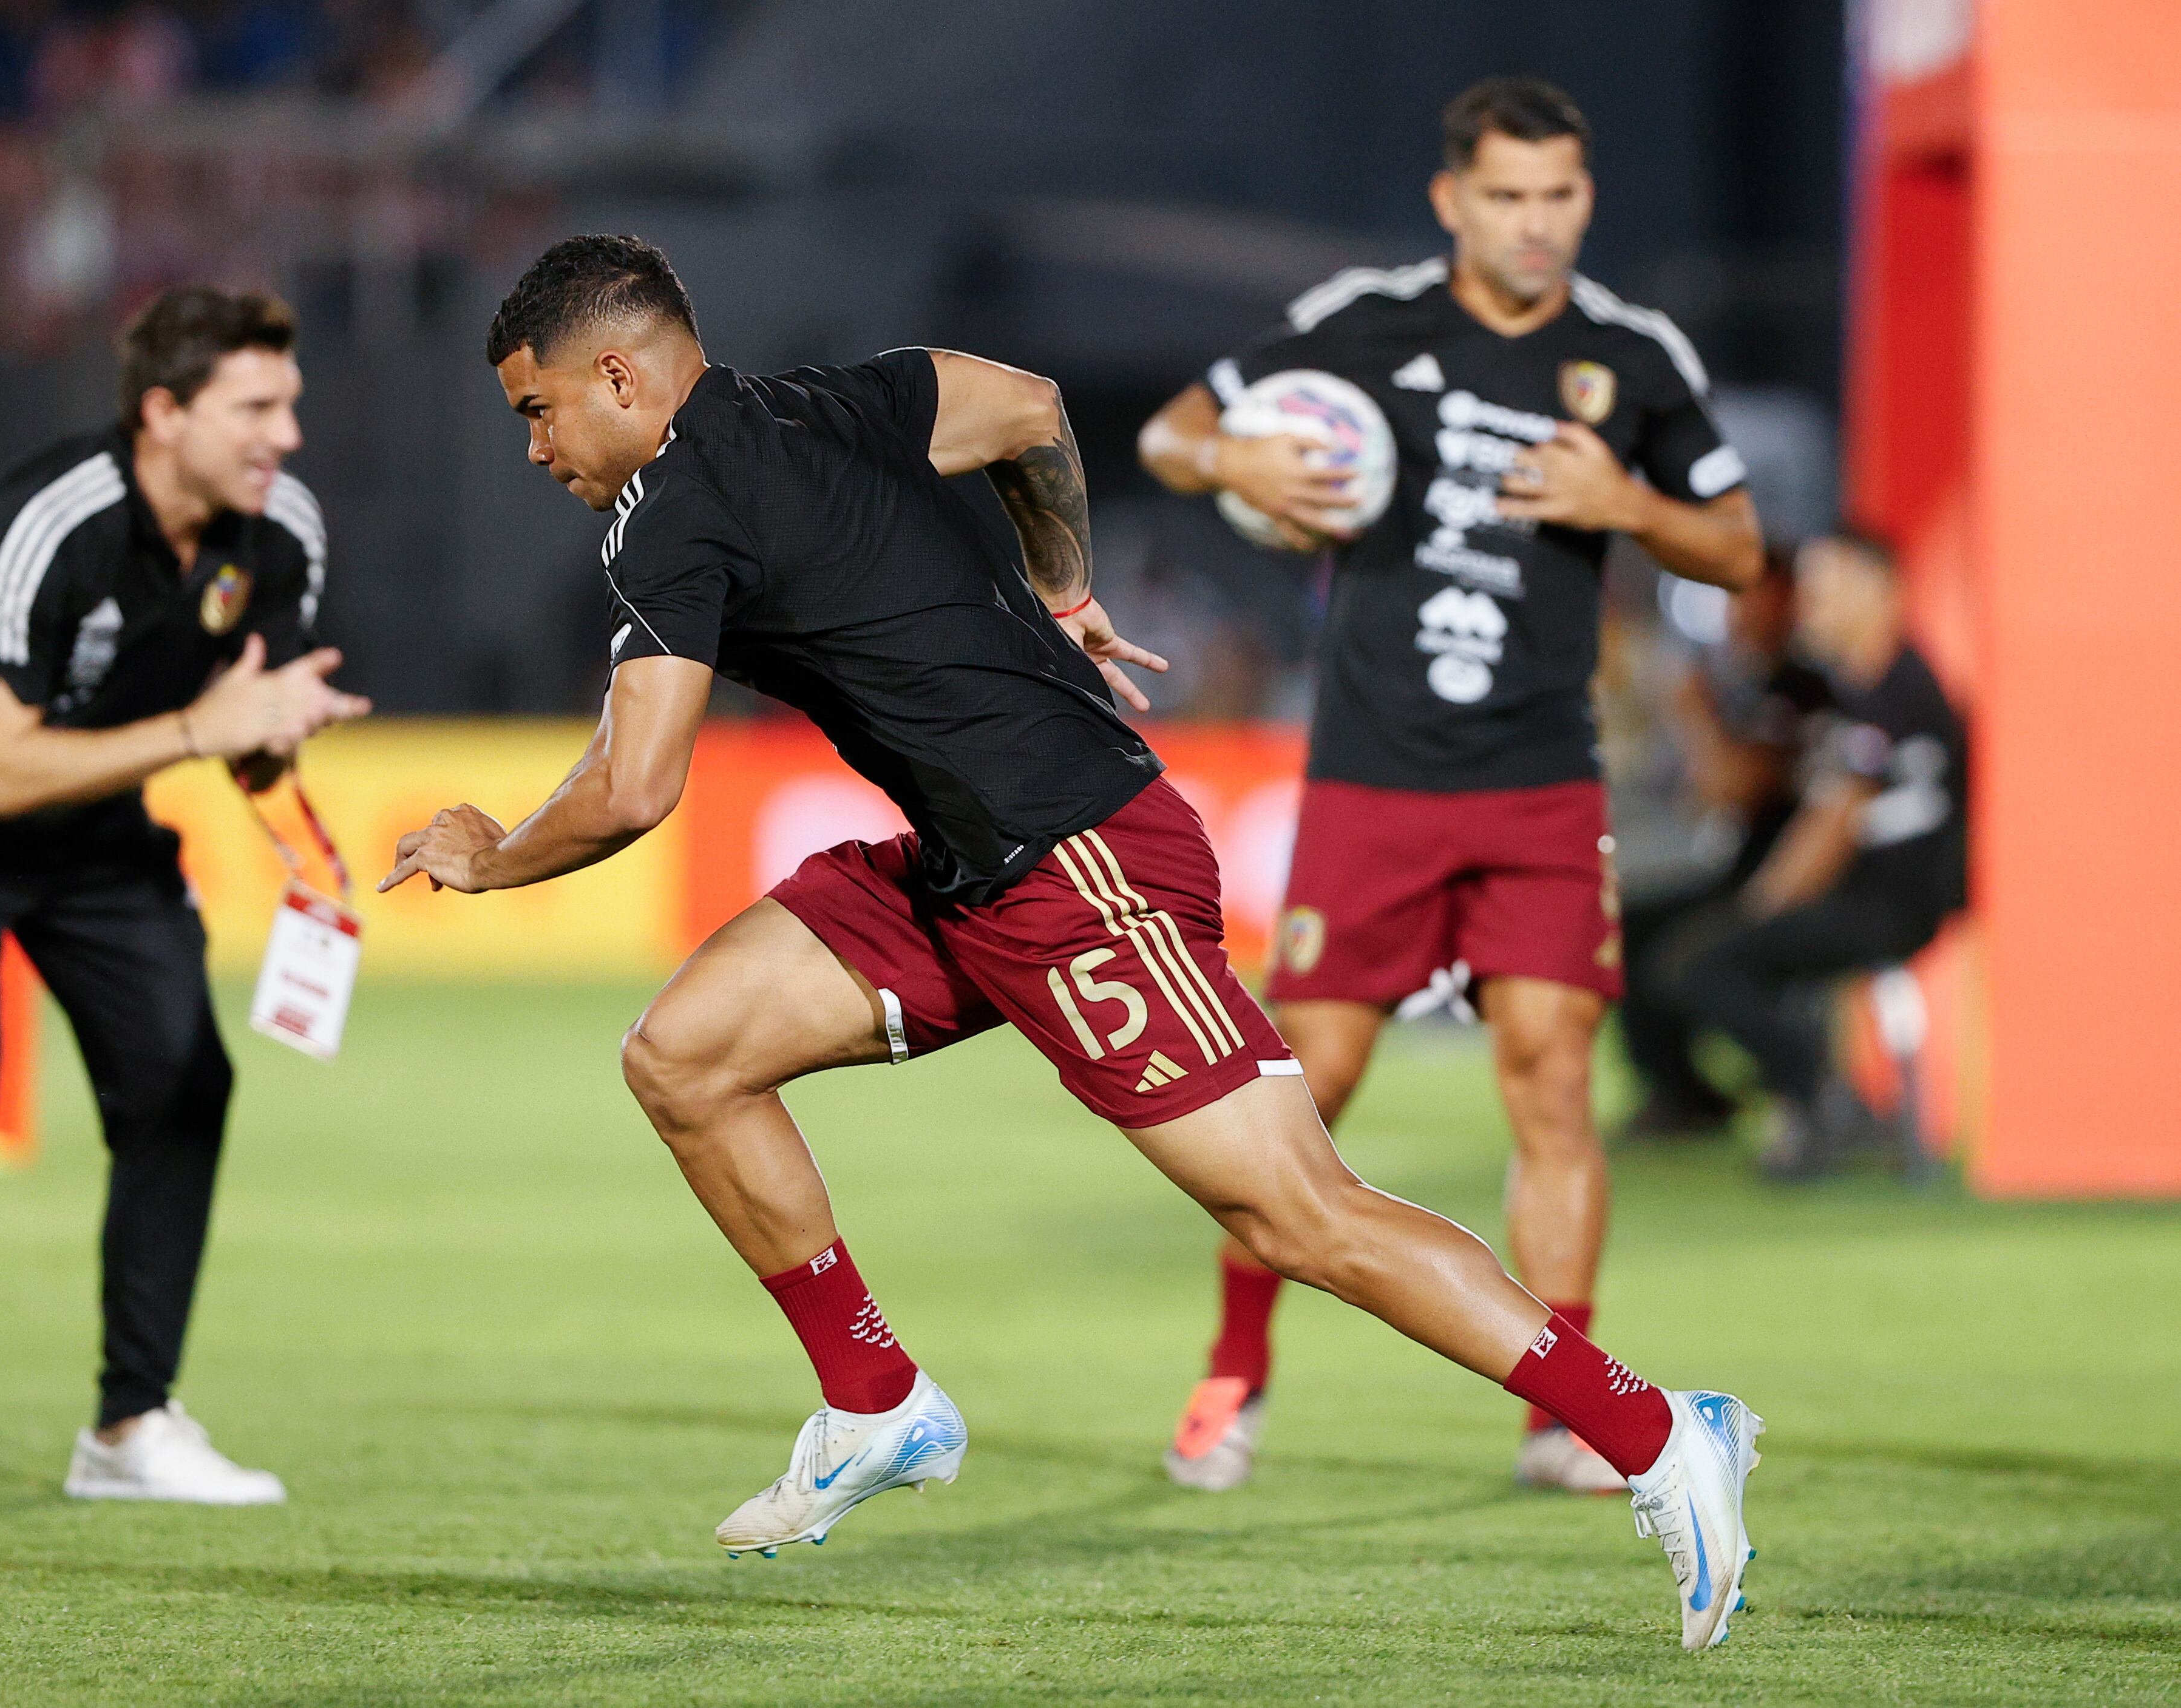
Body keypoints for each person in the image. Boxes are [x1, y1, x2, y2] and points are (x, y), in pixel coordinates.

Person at [382, 233, 1763, 1651]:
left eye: (536, 409)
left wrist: (493, 857)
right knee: (683, 1056)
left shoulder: (667, 515)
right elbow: (1033, 408)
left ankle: (1659, 1432)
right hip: (969, 867)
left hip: (1077, 866)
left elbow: (637, 783)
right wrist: (1059, 579)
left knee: (1299, 1215)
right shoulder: (841, 398)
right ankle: (876, 1400)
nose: (536, 446)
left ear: (616, 374)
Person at [1134, 76, 1765, 1496]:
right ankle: (1233, 1376)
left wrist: (1632, 510)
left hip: (1543, 789)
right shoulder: (1370, 319)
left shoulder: (1633, 356)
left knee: (1550, 1083)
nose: (1535, 225)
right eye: (1507, 197)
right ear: (1452, 201)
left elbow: (1735, 549)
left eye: (1558, 197)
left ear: (1583, 199)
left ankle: (1567, 1418)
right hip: (1373, 786)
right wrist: (1233, 455)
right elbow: (1171, 435)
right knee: (1308, 1096)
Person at [0, 286, 370, 1506]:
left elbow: (245, 731)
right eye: (256, 407)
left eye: (289, 405)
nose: (285, 435)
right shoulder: (38, 520)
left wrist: (277, 734)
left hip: (95, 834)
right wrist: (199, 726)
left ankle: (131, 1428)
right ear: (162, 413)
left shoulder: (281, 529)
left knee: (187, 1082)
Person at [1676, 532, 1967, 1179]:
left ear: (1881, 591)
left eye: (1825, 590)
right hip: (1867, 898)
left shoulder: (1892, 694)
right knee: (1701, 954)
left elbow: (1832, 825)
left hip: (1889, 905)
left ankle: (1832, 1103)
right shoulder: (1858, 688)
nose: (1809, 607)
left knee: (1706, 964)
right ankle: (1818, 1101)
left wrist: (1758, 912)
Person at [1617, 551, 1833, 1140]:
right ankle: (1681, 1093)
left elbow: (1732, 786)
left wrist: (1692, 712)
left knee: (1691, 958)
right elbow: (1709, 797)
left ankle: (1819, 1090)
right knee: (1630, 926)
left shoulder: (1803, 683)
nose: (1737, 613)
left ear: (1789, 597)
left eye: (1749, 595)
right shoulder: (1758, 681)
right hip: (1745, 866)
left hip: (1786, 876)